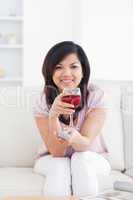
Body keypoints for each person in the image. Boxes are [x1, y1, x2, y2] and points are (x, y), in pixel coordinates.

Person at [33, 41, 111, 197]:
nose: (66, 73)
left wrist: (75, 139)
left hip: (91, 156)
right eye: (58, 67)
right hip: (52, 158)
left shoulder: (96, 96)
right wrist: (53, 116)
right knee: (59, 165)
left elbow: (84, 144)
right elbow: (56, 152)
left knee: (79, 159)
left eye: (74, 66)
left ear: (83, 71)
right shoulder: (42, 101)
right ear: (50, 72)